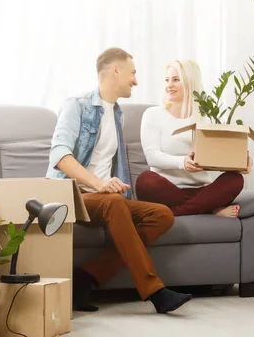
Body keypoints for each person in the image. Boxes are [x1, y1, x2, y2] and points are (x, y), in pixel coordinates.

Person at [46, 48, 192, 314]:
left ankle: (86, 275)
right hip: (70, 194)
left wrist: (109, 187)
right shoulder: (75, 105)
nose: (136, 80)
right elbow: (59, 155)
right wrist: (99, 184)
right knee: (114, 203)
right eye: (133, 73)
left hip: (103, 199)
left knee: (162, 215)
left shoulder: (116, 114)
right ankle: (155, 292)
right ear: (116, 70)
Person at [135, 59, 250, 217]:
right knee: (145, 180)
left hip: (201, 190)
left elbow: (221, 154)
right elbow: (152, 156)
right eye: (167, 80)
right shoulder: (152, 115)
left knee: (235, 179)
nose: (169, 85)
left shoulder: (206, 117)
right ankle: (208, 209)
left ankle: (174, 212)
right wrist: (183, 162)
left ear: (190, 81)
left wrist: (243, 162)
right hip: (167, 191)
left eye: (176, 80)